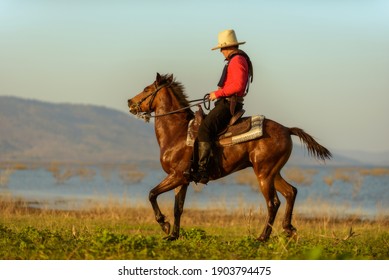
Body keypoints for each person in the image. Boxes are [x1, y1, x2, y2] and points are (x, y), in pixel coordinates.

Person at [194, 29, 253, 184]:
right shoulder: (236, 59)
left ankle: (202, 171)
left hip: (228, 103)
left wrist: (217, 94)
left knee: (205, 129)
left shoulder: (237, 60)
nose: (221, 52)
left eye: (221, 48)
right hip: (226, 101)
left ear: (228, 48)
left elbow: (238, 86)